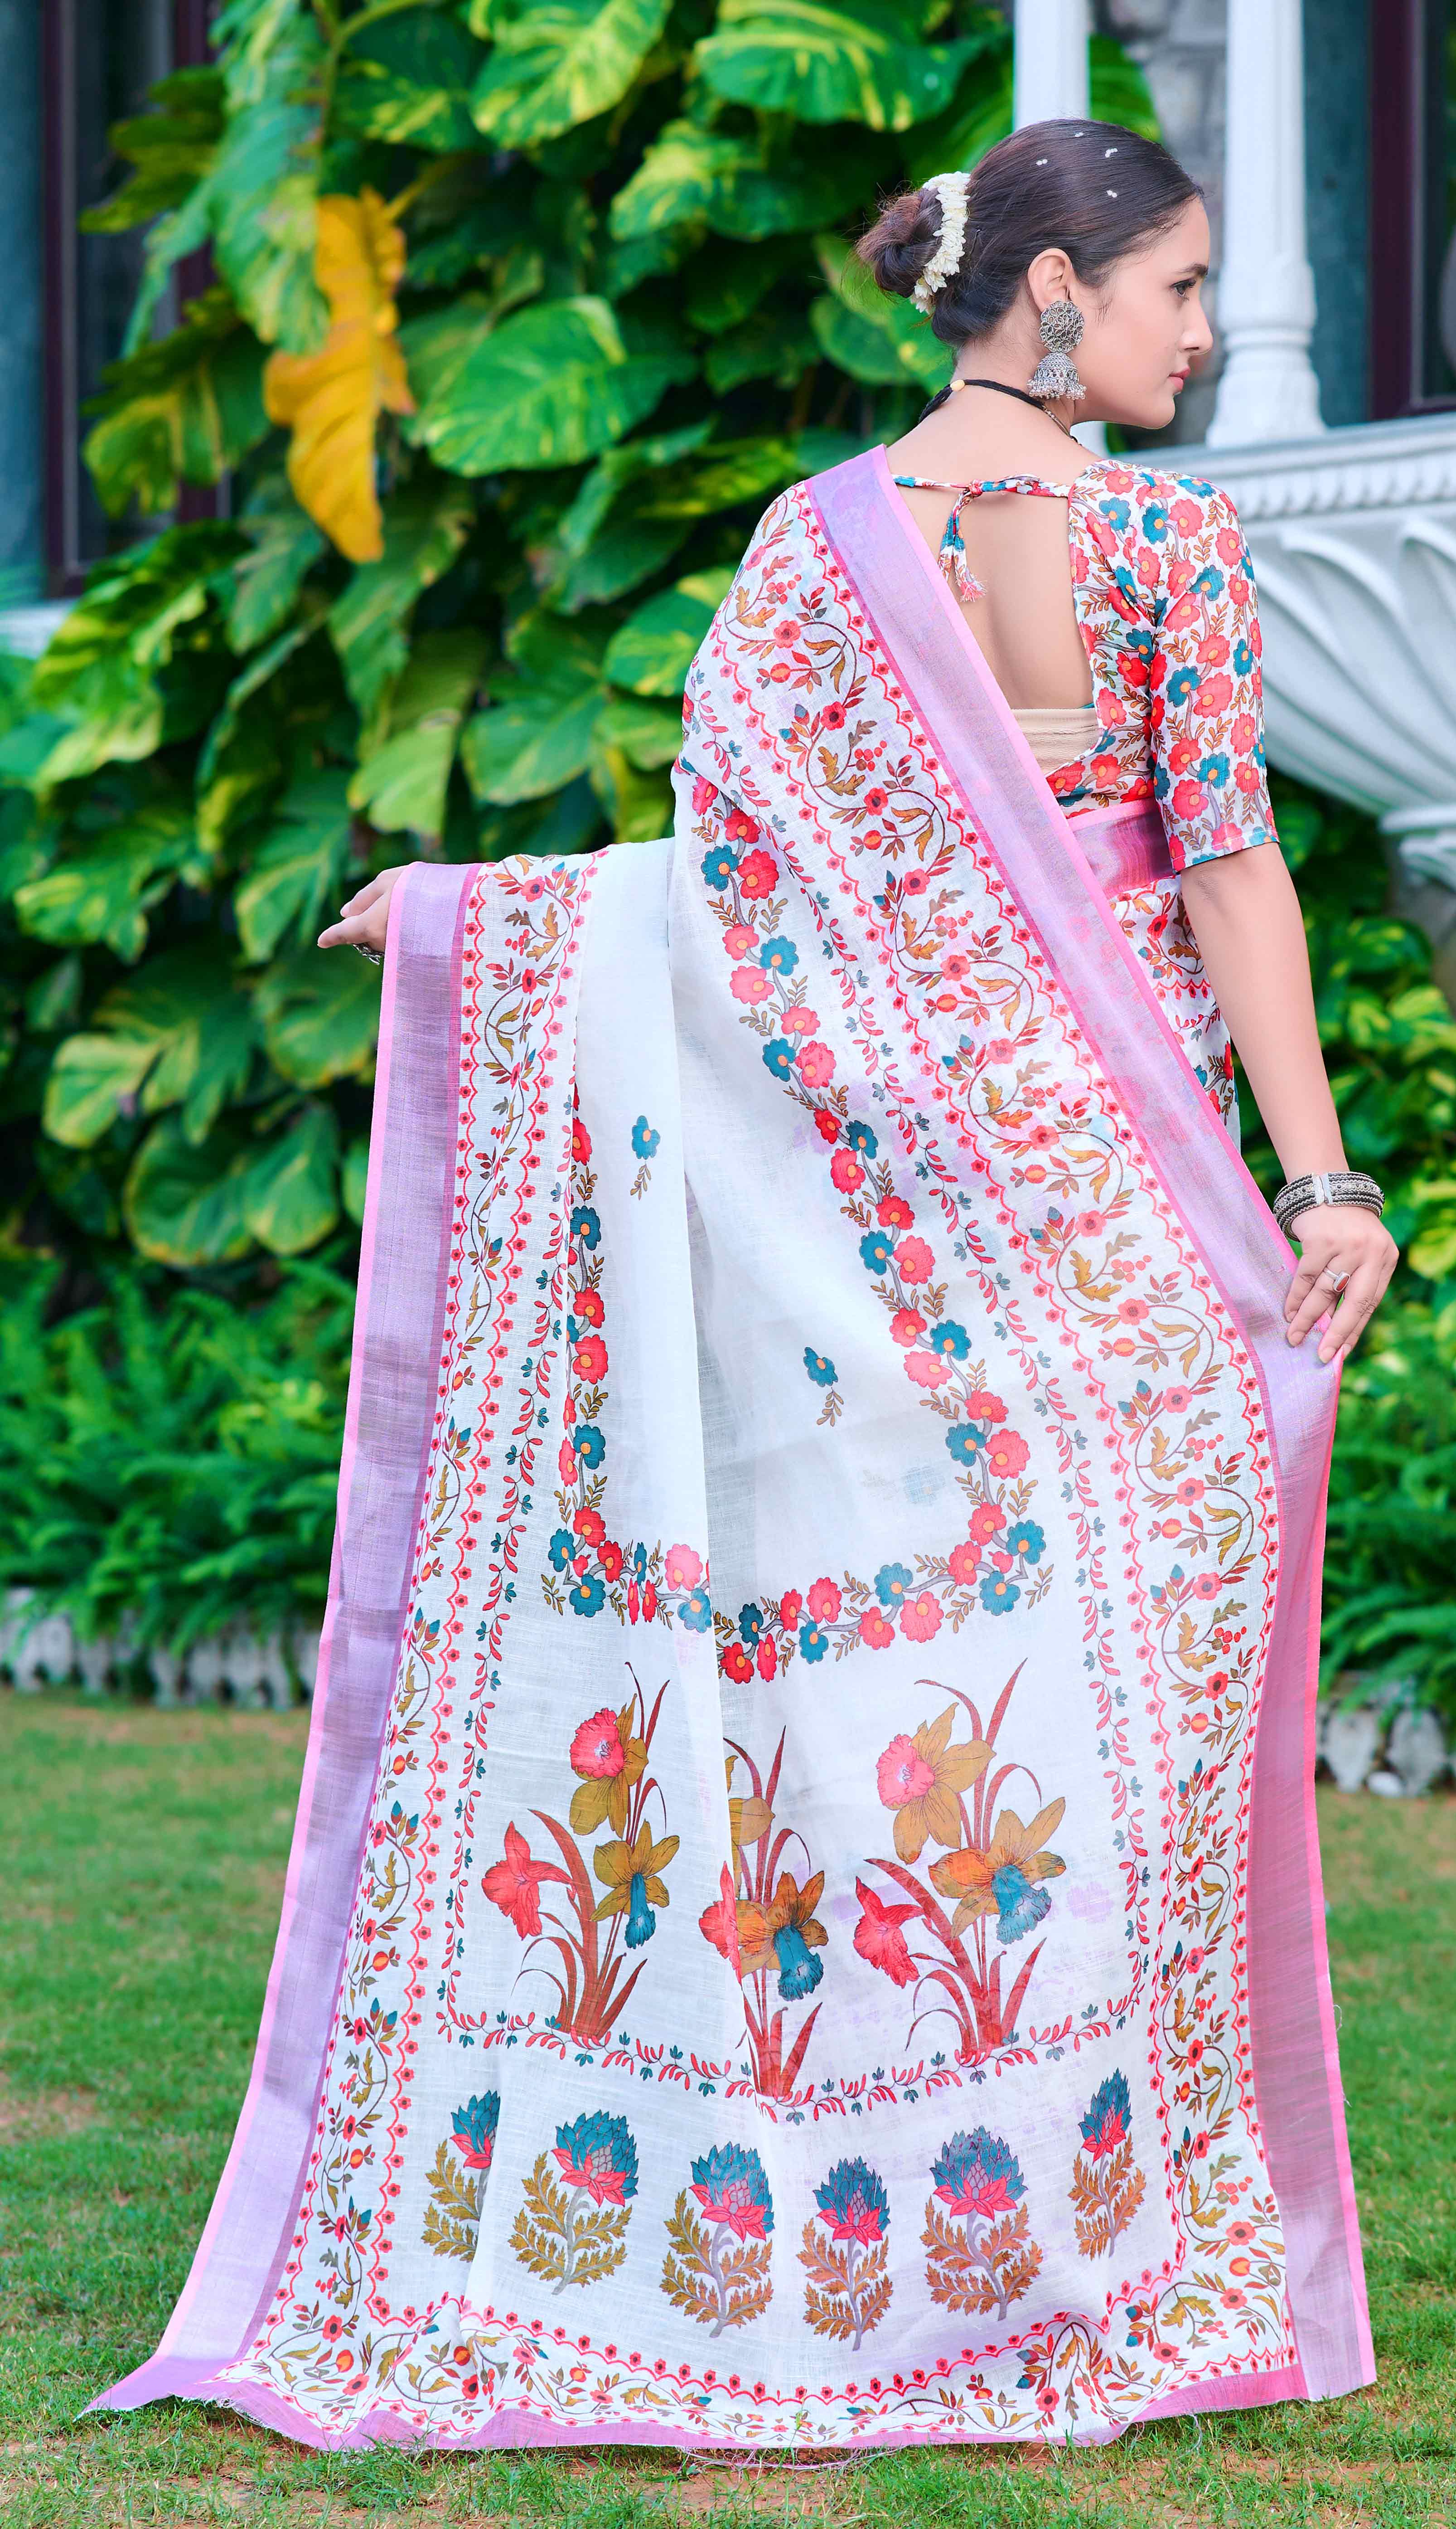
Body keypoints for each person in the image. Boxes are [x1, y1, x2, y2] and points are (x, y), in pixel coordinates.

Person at [98, 120, 1386, 2455]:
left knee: (903, 1687)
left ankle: (911, 2200)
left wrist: (492, 928)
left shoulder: (820, 558)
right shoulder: (1156, 555)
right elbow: (1224, 889)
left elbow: (732, 920)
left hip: (932, 1222)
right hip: (1119, 1218)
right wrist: (1321, 1185)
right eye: (1180, 288)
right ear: (1058, 295)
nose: (1205, 333)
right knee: (1080, 1714)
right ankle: (1053, 2240)